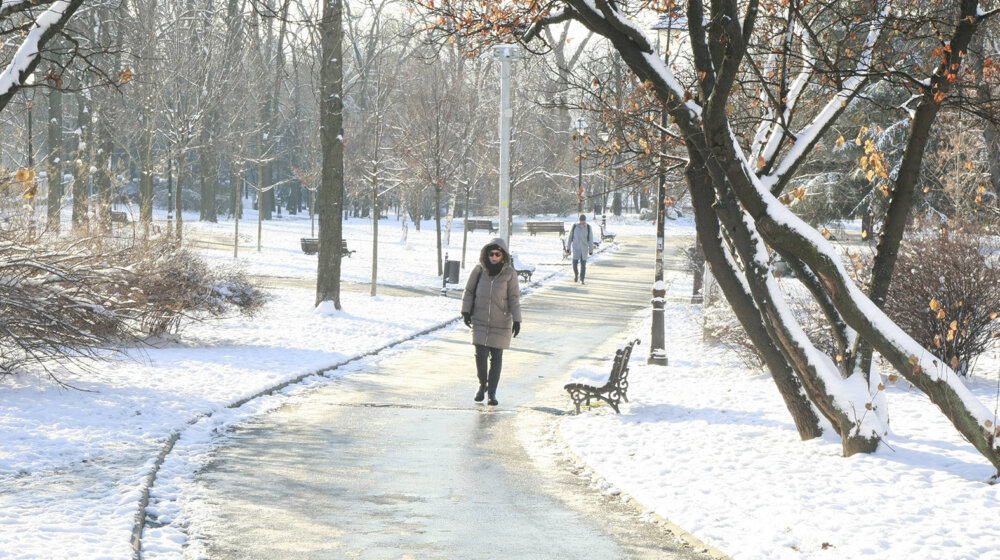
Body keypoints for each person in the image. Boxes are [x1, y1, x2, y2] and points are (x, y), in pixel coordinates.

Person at [461, 238, 522, 406]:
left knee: (496, 357)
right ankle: (482, 385)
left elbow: (514, 298)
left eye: (497, 254)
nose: (493, 257)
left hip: (501, 320)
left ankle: (492, 393)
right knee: (480, 354)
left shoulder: (510, 274)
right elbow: (469, 291)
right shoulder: (479, 270)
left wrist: (517, 320)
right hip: (480, 319)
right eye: (491, 254)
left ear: (503, 256)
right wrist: (466, 311)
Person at [567, 214, 594, 284]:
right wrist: (568, 248)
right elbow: (570, 238)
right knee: (574, 264)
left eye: (583, 221)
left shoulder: (588, 227)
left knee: (583, 265)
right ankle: (576, 274)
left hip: (584, 249)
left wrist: (591, 250)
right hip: (576, 248)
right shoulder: (574, 227)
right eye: (581, 221)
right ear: (579, 220)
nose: (582, 222)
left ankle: (582, 279)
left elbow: (591, 239)